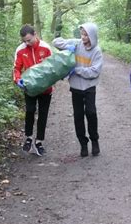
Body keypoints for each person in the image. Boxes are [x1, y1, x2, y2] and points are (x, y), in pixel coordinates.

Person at [53, 23, 103, 157]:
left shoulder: (96, 51)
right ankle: (83, 144)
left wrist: (78, 70)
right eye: (82, 34)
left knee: (91, 113)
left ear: (92, 35)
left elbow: (95, 71)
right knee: (78, 116)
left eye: (86, 35)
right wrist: (67, 46)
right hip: (75, 87)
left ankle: (94, 141)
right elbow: (56, 42)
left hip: (89, 87)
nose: (84, 37)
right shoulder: (76, 43)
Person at [13, 24, 53, 156]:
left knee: (43, 114)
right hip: (29, 87)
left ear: (35, 34)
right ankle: (29, 138)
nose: (27, 43)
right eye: (24, 41)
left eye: (29, 40)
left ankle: (39, 141)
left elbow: (53, 66)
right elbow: (16, 68)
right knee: (30, 110)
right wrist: (18, 80)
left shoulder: (45, 48)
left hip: (45, 88)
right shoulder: (20, 50)